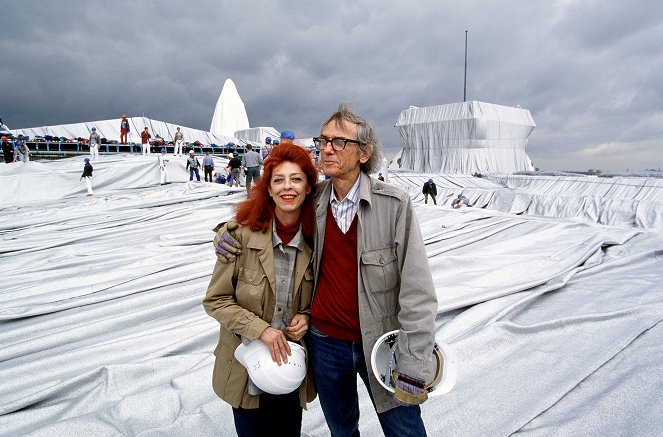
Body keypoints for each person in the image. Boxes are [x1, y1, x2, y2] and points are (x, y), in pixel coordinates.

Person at [216, 103, 438, 437]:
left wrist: (414, 362)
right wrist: (225, 231)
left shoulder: (394, 206)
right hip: (326, 343)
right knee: (342, 430)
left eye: (338, 142)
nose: (326, 148)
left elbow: (418, 289)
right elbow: (265, 211)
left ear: (363, 153)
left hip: (380, 342)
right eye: (324, 140)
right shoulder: (313, 200)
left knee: (404, 429)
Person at [203, 143, 319, 437]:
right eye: (278, 180)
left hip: (291, 368)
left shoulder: (318, 241)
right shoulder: (240, 236)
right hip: (246, 370)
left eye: (296, 179)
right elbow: (216, 300)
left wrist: (307, 316)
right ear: (267, 189)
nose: (287, 187)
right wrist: (260, 329)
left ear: (308, 187)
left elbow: (325, 296)